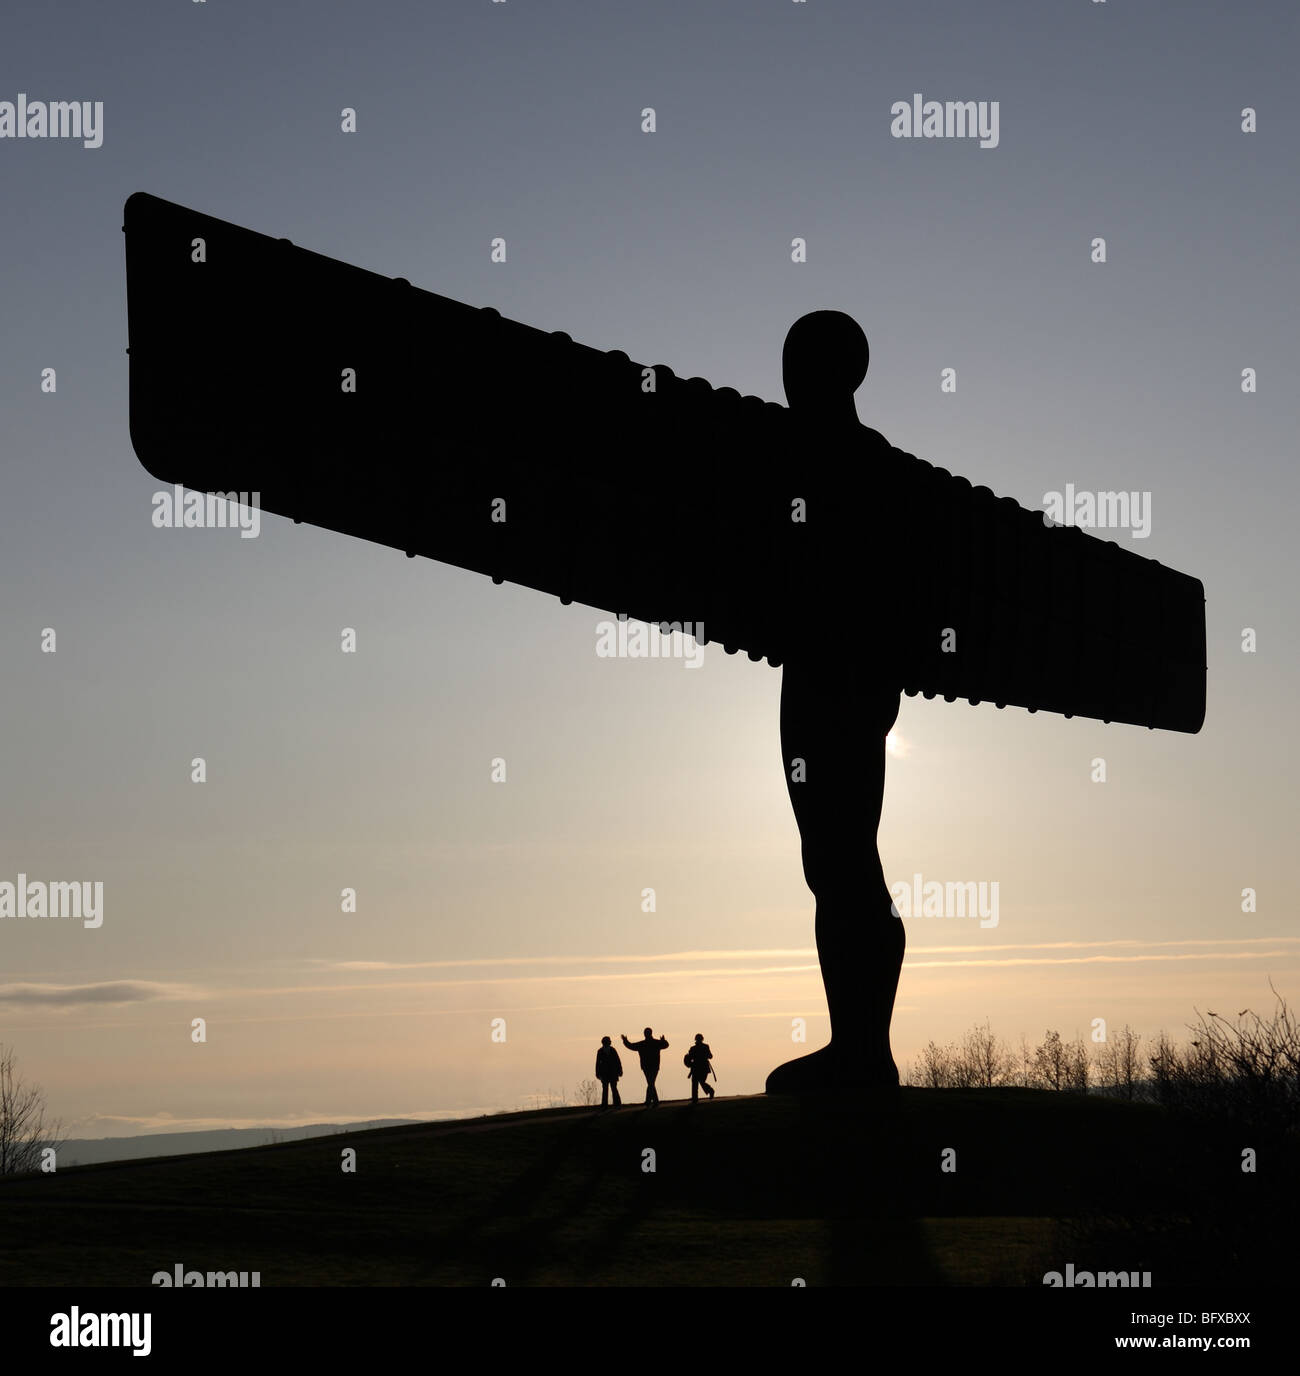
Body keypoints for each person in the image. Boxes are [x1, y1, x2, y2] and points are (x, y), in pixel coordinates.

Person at [621, 1027, 669, 1105]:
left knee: (650, 1083)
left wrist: (625, 1041)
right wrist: (663, 1040)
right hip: (652, 1066)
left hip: (648, 1066)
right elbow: (665, 1045)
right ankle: (652, 1101)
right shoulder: (655, 1043)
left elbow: (631, 1046)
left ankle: (650, 1101)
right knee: (651, 1083)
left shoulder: (643, 1044)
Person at [684, 1033, 715, 1101]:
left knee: (699, 1082)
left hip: (700, 1068)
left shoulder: (695, 1048)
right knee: (697, 1082)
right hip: (700, 1068)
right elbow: (710, 1056)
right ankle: (695, 1098)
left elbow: (710, 1056)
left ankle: (709, 1091)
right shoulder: (704, 1047)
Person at [594, 1035, 623, 1109]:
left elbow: (617, 1061)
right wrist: (598, 1073)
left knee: (613, 1088)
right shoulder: (601, 1051)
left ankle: (616, 1104)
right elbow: (598, 1063)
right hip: (605, 1073)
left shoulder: (611, 1050)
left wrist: (620, 1070)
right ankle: (606, 1104)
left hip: (612, 1072)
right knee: (607, 1089)